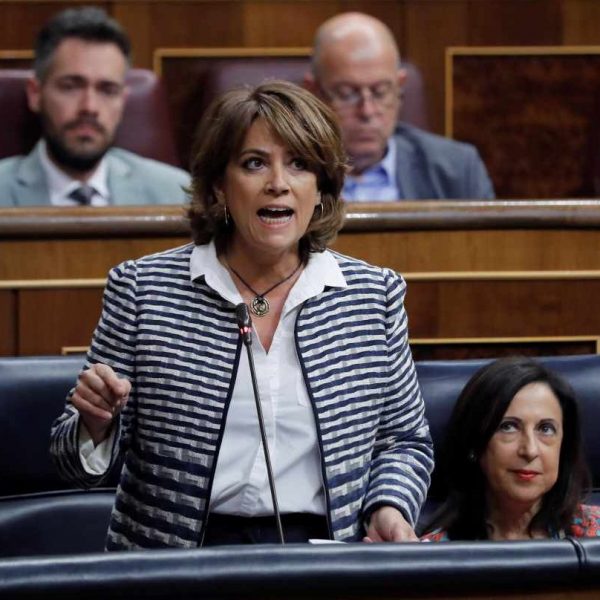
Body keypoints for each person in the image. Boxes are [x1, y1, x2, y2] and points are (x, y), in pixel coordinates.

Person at [49, 80, 434, 550]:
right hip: (177, 561)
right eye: (254, 163)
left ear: (322, 188)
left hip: (323, 559)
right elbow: (73, 465)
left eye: (299, 164)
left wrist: (388, 507)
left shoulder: (372, 297)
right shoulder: (143, 291)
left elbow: (404, 441)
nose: (278, 183)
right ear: (219, 186)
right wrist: (95, 425)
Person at [0, 7, 189, 207]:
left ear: (123, 100)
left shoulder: (175, 193)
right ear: (35, 94)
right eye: (70, 87)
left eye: (107, 90)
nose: (89, 107)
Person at [304, 12, 494, 202]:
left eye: (380, 92)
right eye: (346, 94)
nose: (367, 111)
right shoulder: (290, 173)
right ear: (313, 92)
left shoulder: (458, 170)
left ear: (400, 86)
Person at [420, 357, 600, 541]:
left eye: (546, 429)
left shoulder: (594, 533)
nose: (530, 450)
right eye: (508, 427)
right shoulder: (434, 553)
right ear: (475, 443)